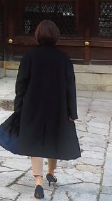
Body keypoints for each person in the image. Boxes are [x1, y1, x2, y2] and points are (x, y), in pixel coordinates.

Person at [14, 20, 81, 199]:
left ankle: (38, 182)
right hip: (57, 107)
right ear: (56, 36)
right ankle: (51, 171)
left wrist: (18, 107)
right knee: (53, 140)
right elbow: (70, 87)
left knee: (35, 143)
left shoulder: (29, 56)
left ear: (37, 35)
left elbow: (21, 84)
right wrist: (71, 112)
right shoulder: (64, 58)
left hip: (33, 106)